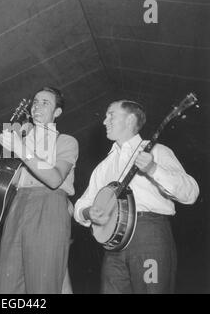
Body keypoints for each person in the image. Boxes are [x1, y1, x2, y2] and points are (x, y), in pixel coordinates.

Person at [74, 100, 199, 294]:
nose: (105, 121)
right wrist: (89, 212)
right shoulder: (104, 166)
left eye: (111, 115)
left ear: (130, 119)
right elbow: (81, 204)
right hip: (113, 246)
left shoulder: (156, 151)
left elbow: (191, 193)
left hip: (149, 236)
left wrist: (153, 169)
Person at [0, 87, 78, 294]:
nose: (37, 106)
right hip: (18, 206)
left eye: (45, 103)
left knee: (42, 286)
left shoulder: (66, 141)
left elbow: (54, 178)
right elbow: (11, 180)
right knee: (7, 285)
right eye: (35, 102)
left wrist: (21, 149)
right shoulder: (20, 140)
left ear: (57, 112)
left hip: (49, 205)